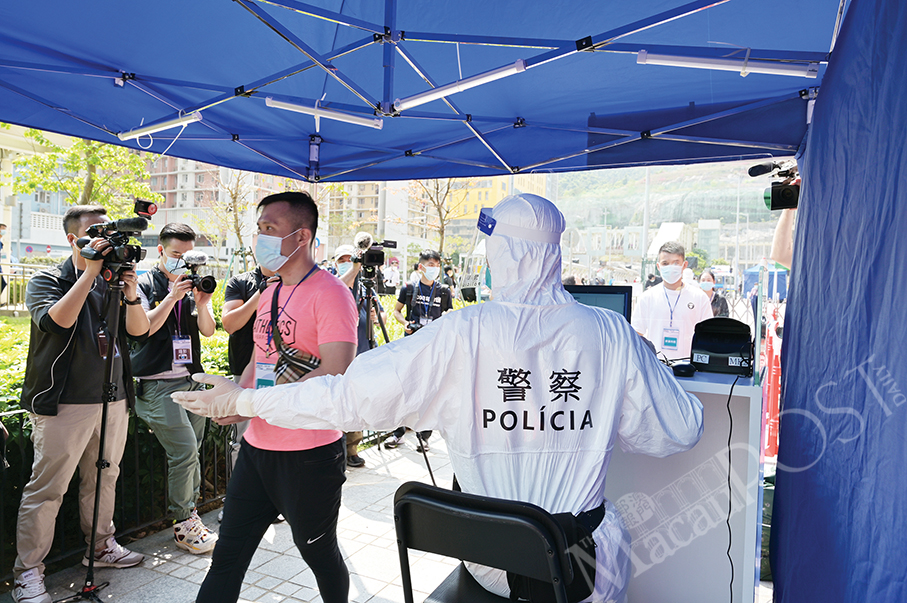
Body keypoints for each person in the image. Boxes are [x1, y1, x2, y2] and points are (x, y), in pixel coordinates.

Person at [173, 193, 704, 603]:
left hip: (488, 561)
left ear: (503, 254)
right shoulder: (611, 333)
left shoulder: (462, 333)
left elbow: (347, 397)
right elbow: (681, 430)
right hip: (585, 564)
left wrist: (244, 402)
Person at [194, 191, 357, 603]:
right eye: (259, 228)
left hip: (310, 455)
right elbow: (259, 359)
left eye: (270, 228)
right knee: (227, 557)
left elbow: (336, 372)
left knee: (318, 552)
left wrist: (251, 403)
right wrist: (237, 401)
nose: (260, 238)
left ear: (301, 237)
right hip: (256, 450)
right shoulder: (270, 292)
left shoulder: (332, 293)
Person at [13, 206, 148, 603]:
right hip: (64, 402)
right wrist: (89, 274)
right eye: (95, 233)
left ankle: (101, 547)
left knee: (105, 477)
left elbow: (139, 332)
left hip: (112, 398)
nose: (105, 240)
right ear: (74, 239)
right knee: (47, 489)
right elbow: (56, 322)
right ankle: (28, 573)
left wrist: (131, 293)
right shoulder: (47, 280)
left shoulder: (113, 282)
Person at [129, 223, 219, 554]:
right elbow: (142, 330)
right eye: (176, 254)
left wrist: (203, 303)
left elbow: (208, 331)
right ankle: (183, 523)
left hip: (191, 379)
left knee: (193, 449)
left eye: (189, 255)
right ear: (161, 251)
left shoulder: (195, 283)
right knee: (183, 451)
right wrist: (172, 297)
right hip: (157, 384)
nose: (183, 261)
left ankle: (190, 515)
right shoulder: (143, 284)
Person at [386, 249, 453, 451]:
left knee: (429, 391)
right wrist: (405, 323)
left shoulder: (443, 291)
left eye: (437, 265)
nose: (434, 269)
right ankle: (398, 433)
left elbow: (449, 312)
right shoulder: (408, 288)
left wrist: (445, 320)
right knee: (404, 389)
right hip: (411, 345)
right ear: (421, 266)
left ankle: (424, 437)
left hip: (433, 347)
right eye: (430, 265)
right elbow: (396, 311)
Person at [334, 243, 387, 468]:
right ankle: (335, 449)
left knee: (356, 404)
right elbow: (337, 287)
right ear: (336, 263)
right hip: (338, 356)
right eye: (342, 260)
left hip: (362, 353)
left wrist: (376, 317)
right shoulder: (333, 284)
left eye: (351, 259)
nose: (347, 263)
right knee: (337, 402)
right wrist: (354, 269)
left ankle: (352, 449)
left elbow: (383, 315)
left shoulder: (366, 288)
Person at [631, 242, 713, 361]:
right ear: (658, 266)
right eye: (665, 263)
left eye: (676, 263)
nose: (670, 267)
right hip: (656, 365)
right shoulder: (647, 298)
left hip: (688, 366)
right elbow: (636, 334)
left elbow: (708, 336)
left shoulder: (699, 298)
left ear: (684, 265)